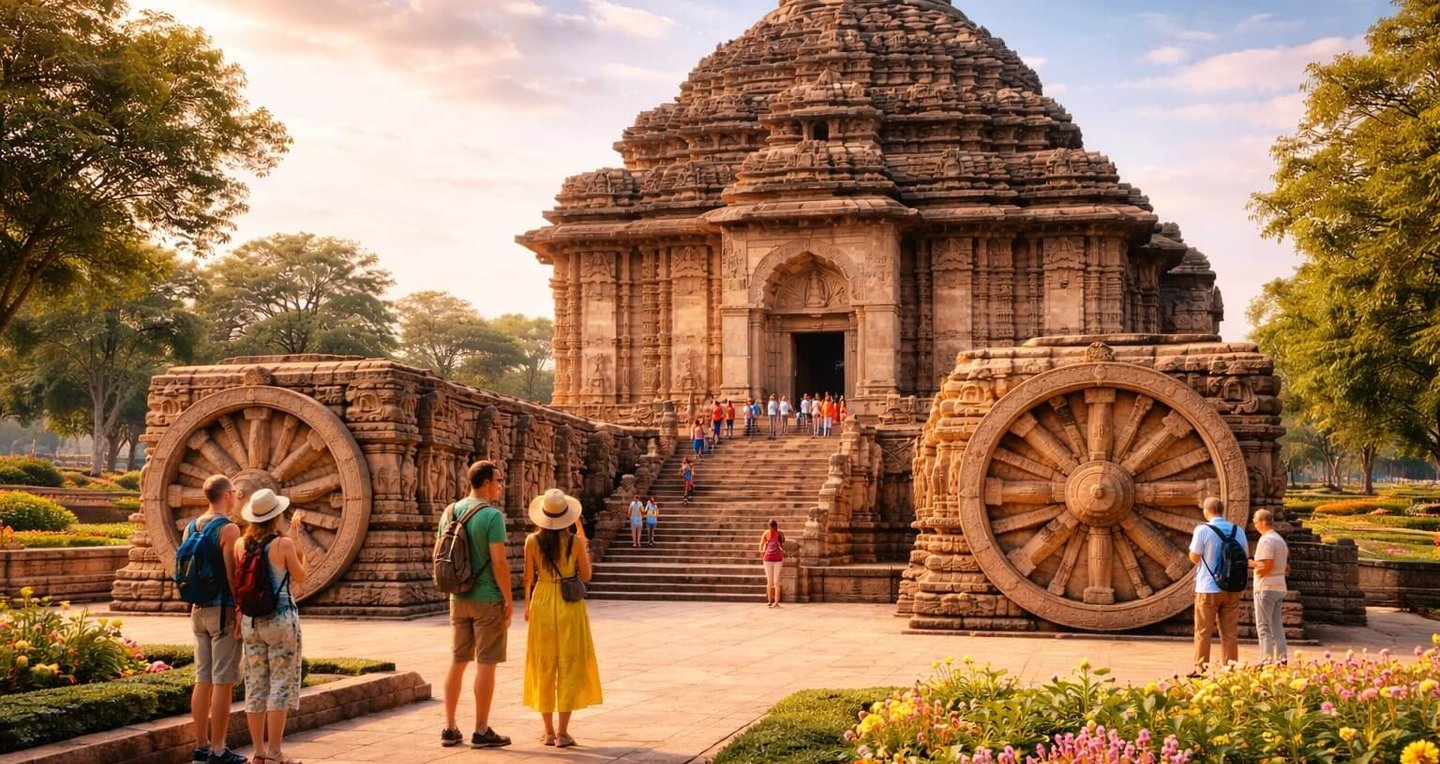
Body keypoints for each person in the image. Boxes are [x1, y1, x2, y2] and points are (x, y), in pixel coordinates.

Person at [439, 461, 513, 749]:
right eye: (497, 480)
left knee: (457, 661)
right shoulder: (493, 516)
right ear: (483, 482)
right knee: (486, 663)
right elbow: (499, 561)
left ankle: (449, 726)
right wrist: (508, 599)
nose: (500, 485)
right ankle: (481, 729)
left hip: (457, 596)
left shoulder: (449, 512)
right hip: (486, 598)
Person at [523, 489, 603, 749]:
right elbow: (587, 575)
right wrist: (580, 532)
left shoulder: (531, 541)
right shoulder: (575, 542)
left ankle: (547, 732)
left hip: (542, 599)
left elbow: (528, 578)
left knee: (544, 663)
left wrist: (527, 606)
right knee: (567, 664)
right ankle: (563, 732)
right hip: (569, 604)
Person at [233, 489, 306, 764]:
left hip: (251, 621)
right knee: (280, 684)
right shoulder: (283, 544)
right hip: (281, 617)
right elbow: (300, 577)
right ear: (277, 516)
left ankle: (259, 753)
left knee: (255, 684)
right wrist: (298, 546)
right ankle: (275, 752)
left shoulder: (242, 544)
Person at [187, 475, 247, 764]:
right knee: (223, 681)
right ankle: (219, 749)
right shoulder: (228, 529)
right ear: (228, 495)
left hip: (197, 610)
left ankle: (200, 746)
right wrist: (239, 609)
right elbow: (232, 575)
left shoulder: (191, 526)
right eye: (234, 493)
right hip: (222, 609)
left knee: (202, 678)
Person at [1187, 497, 1247, 675]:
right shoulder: (1238, 530)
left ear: (1206, 511)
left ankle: (1201, 669)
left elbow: (1194, 557)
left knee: (1203, 631)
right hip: (1232, 588)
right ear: (1222, 510)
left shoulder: (1203, 530)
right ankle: (1230, 669)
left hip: (1208, 587)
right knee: (1229, 632)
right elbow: (1244, 556)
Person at [1249, 509, 1289, 664]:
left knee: (1264, 626)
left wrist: (1252, 564)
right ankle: (1281, 657)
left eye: (1255, 521)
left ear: (1263, 522)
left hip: (1266, 587)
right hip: (1279, 586)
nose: (1254, 524)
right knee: (1276, 624)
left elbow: (1266, 565)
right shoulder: (1279, 539)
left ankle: (1266, 659)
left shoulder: (1266, 540)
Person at [759, 519, 786, 608]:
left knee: (776, 581)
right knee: (769, 581)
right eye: (770, 527)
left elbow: (782, 546)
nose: (771, 529)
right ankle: (770, 601)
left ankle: (776, 602)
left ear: (775, 527)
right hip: (767, 559)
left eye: (772, 527)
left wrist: (781, 549)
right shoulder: (766, 534)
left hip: (778, 560)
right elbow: (761, 544)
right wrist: (763, 550)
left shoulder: (779, 534)